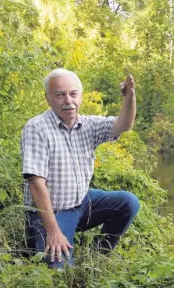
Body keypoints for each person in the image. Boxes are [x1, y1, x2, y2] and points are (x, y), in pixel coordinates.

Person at [20, 68, 139, 268]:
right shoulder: (37, 128)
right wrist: (53, 230)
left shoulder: (89, 125)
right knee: (61, 275)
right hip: (50, 212)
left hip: (82, 203)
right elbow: (36, 184)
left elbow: (124, 125)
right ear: (48, 98)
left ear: (80, 97)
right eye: (60, 95)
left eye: (73, 94)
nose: (68, 100)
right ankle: (52, 239)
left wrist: (129, 98)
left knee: (128, 202)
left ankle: (98, 254)